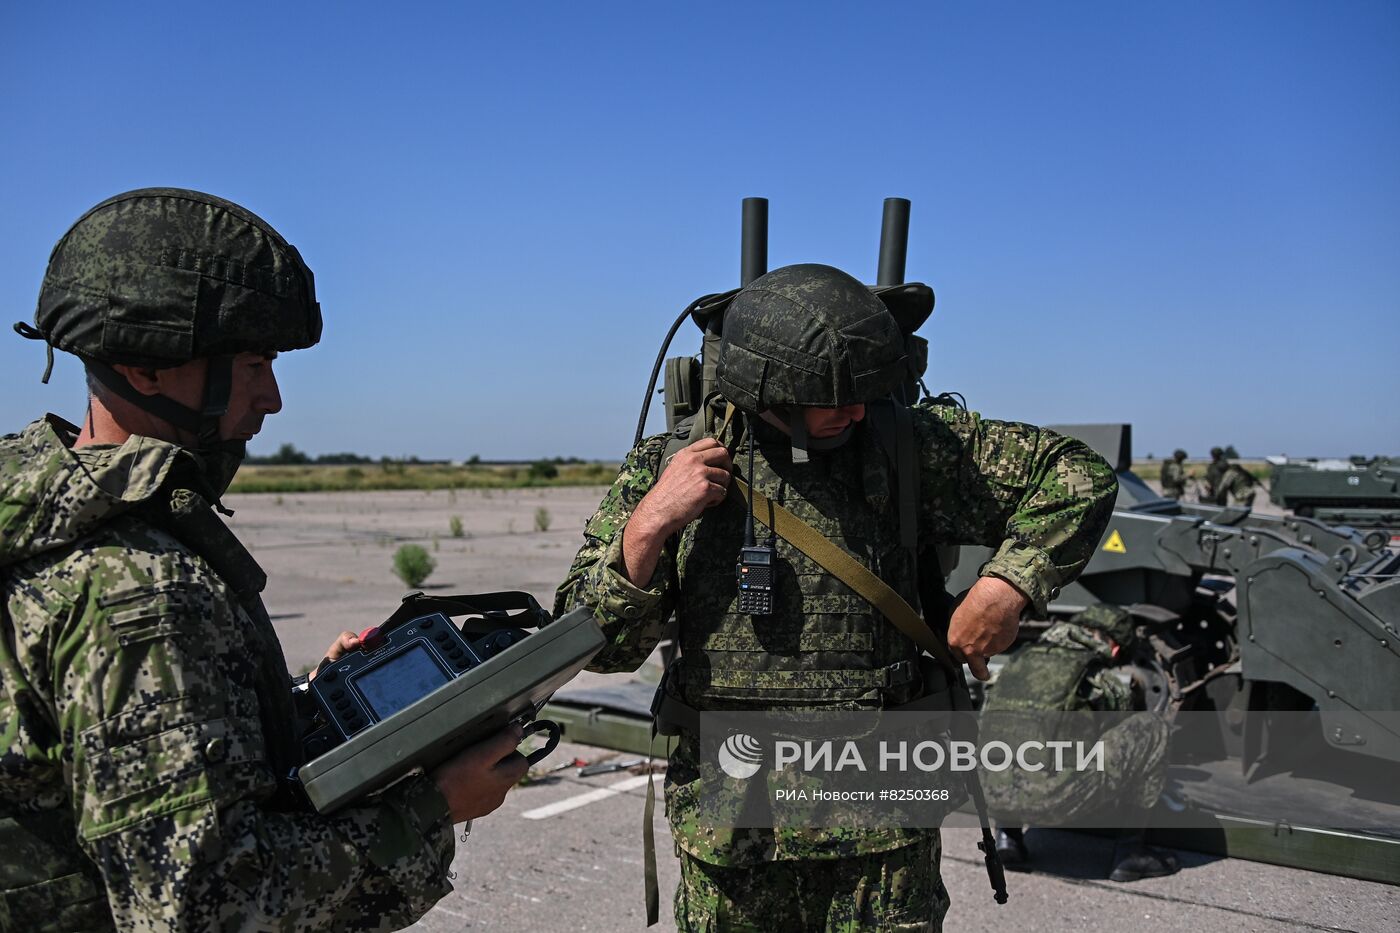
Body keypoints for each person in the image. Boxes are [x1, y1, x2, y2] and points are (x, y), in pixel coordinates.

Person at [0, 188, 528, 931]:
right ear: (143, 366)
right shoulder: (137, 587)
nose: (272, 397)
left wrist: (290, 700)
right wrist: (433, 807)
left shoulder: (42, 522)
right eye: (252, 364)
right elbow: (205, 907)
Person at [555, 263, 1118, 931]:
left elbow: (1077, 474)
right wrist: (650, 523)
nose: (856, 408)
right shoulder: (672, 465)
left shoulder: (906, 448)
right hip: (735, 844)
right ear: (769, 384)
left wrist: (1010, 582)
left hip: (882, 850)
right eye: (834, 394)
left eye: (866, 390)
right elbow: (595, 643)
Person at [983, 604, 1178, 882]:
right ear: (1113, 649)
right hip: (1055, 801)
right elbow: (1119, 727)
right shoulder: (1098, 679)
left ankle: (1007, 838)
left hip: (991, 795)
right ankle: (1129, 855)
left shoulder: (1015, 664)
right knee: (1151, 728)